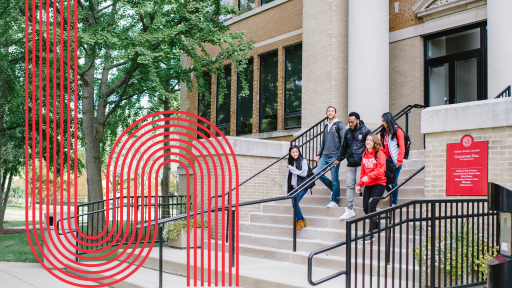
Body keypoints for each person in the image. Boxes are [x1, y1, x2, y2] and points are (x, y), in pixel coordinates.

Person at [338, 112, 371, 220]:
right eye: (349, 122)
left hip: (361, 163)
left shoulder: (365, 131)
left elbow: (371, 145)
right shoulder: (347, 132)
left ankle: (368, 208)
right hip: (350, 163)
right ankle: (349, 209)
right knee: (349, 186)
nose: (350, 124)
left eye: (352, 122)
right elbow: (343, 147)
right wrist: (338, 159)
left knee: (361, 184)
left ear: (357, 120)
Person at [356, 134, 387, 242]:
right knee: (365, 207)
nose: (368, 142)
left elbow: (380, 171)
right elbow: (362, 171)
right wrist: (360, 184)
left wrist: (368, 177)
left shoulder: (380, 154)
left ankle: (371, 233)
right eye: (367, 140)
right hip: (368, 184)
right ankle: (376, 225)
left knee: (371, 206)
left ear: (375, 142)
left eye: (371, 140)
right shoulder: (364, 153)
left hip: (379, 183)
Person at [315, 106, 346, 208]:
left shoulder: (339, 125)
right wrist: (319, 154)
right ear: (326, 114)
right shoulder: (326, 126)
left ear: (335, 113)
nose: (330, 112)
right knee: (318, 174)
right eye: (329, 111)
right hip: (324, 156)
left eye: (332, 111)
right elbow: (323, 142)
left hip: (334, 157)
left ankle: (335, 200)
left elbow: (343, 142)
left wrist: (339, 157)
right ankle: (334, 188)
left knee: (335, 178)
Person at [286, 145, 314, 231]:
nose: (295, 153)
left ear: (299, 152)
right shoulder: (291, 162)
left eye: (296, 152)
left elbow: (304, 173)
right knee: (294, 203)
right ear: (290, 153)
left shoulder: (303, 161)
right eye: (293, 152)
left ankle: (299, 221)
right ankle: (302, 220)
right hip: (294, 187)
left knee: (295, 202)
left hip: (303, 186)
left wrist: (292, 169)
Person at [380, 112, 405, 206]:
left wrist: (399, 160)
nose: (383, 123)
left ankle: (394, 202)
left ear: (388, 120)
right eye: (382, 121)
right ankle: (390, 193)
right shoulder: (384, 132)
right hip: (387, 161)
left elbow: (402, 146)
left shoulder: (398, 131)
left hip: (395, 161)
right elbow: (381, 145)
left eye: (384, 121)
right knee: (383, 180)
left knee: (394, 182)